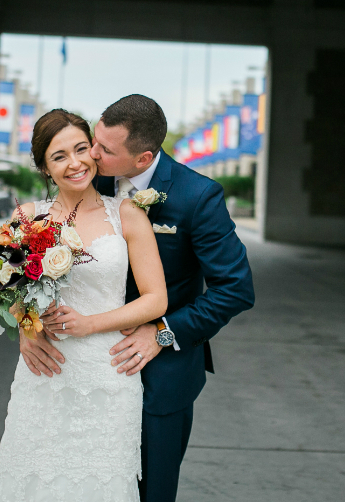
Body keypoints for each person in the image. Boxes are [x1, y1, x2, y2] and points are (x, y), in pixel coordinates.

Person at [20, 94, 256, 502]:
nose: (89, 155)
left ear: (143, 159)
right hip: (78, 366)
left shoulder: (197, 197)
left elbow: (235, 289)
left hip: (160, 372)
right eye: (92, 141)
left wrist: (162, 333)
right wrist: (27, 325)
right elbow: (23, 275)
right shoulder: (85, 178)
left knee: (149, 494)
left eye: (103, 150)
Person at [0, 109, 168, 502]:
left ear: (95, 152)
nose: (75, 163)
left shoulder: (128, 215)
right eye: (59, 156)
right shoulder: (28, 218)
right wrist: (25, 330)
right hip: (45, 372)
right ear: (45, 167)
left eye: (82, 149)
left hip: (109, 372)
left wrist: (90, 324)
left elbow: (155, 299)